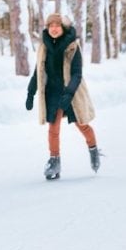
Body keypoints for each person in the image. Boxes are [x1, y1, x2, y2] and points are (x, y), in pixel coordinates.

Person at [25, 12, 101, 180]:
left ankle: (93, 149)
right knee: (53, 129)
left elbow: (76, 74)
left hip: (71, 92)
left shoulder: (72, 46)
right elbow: (38, 71)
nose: (53, 29)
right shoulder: (44, 46)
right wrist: (31, 92)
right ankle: (54, 161)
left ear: (63, 28)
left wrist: (69, 93)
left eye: (57, 26)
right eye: (50, 26)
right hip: (53, 92)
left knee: (82, 125)